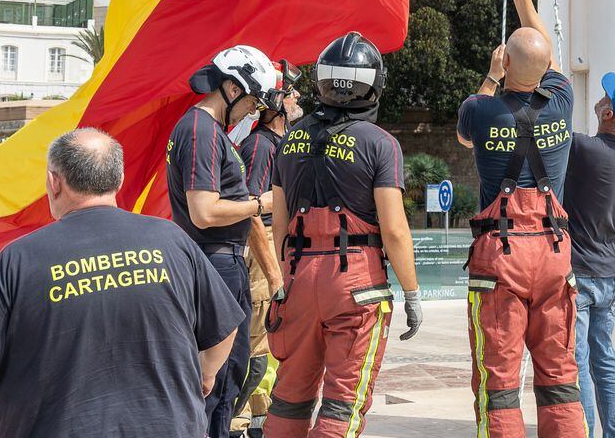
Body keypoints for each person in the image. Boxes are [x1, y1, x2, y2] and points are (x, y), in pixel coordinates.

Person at [0, 128, 245, 438]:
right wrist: (205, 375)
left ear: (54, 181)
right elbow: (225, 324)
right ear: (118, 180)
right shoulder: (172, 241)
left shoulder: (17, 260)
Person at [265, 32, 423, 438]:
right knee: (342, 403)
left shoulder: (290, 139)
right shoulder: (380, 144)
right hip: (355, 284)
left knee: (290, 396)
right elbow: (394, 229)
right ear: (372, 83)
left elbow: (280, 223)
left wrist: (286, 280)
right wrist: (412, 292)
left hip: (297, 276)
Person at [456, 0, 581, 438]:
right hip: (553, 253)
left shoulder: (481, 110)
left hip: (501, 257)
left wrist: (492, 75)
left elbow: (465, 137)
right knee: (559, 378)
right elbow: (542, 48)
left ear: (506, 62)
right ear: (546, 68)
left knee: (500, 384)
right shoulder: (563, 100)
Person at [168, 44, 283, 438]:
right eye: (253, 100)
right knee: (216, 384)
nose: (255, 109)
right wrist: (258, 203)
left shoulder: (209, 131)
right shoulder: (201, 130)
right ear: (232, 89)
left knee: (229, 380)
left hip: (220, 263)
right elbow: (203, 210)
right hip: (214, 263)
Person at [565, 74, 615, 438]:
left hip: (580, 274)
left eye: (605, 98)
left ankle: (583, 431)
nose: (600, 99)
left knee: (579, 362)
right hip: (609, 274)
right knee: (606, 360)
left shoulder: (584, 149)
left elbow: (547, 135)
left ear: (609, 113)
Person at [233, 64, 304, 438]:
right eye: (291, 93)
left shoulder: (282, 143)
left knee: (269, 351)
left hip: (277, 253)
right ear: (275, 102)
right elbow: (250, 211)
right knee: (256, 350)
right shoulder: (260, 147)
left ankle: (259, 421)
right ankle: (235, 424)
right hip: (261, 260)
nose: (296, 99)